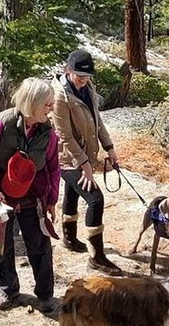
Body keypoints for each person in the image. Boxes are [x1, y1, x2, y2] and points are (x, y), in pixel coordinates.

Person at [0, 76, 62, 310]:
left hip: (32, 196)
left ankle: (45, 294)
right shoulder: (2, 124)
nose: (51, 108)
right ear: (33, 102)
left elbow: (53, 166)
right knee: (3, 245)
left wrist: (51, 200)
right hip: (0, 195)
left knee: (39, 243)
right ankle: (7, 290)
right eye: (47, 104)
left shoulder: (48, 133)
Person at [52, 49, 123, 273]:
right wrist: (85, 166)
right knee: (95, 199)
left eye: (87, 77)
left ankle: (69, 238)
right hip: (66, 158)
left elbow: (96, 119)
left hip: (84, 155)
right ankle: (97, 257)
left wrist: (109, 147)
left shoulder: (87, 88)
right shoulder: (59, 97)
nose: (83, 81)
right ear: (67, 71)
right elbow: (64, 136)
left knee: (73, 192)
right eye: (79, 77)